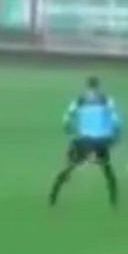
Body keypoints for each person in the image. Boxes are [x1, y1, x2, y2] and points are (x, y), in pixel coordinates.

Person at [49, 77, 123, 208]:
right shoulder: (106, 99)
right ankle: (114, 201)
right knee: (107, 171)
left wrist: (69, 130)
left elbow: (66, 118)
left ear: (87, 86)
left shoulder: (80, 99)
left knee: (69, 166)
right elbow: (116, 120)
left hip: (84, 140)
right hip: (101, 141)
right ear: (98, 86)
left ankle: (53, 197)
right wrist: (115, 135)